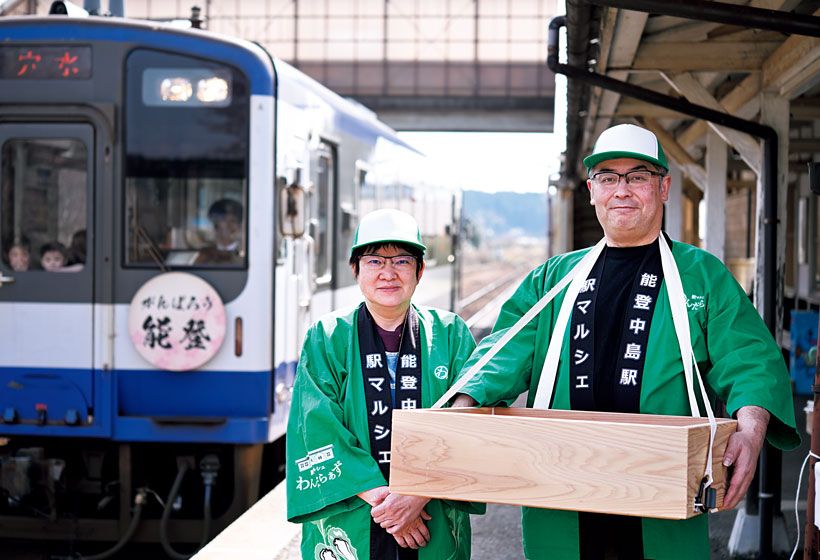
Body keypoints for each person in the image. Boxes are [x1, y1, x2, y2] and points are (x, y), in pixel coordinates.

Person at [449, 123, 799, 559]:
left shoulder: (701, 275)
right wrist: (459, 410)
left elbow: (748, 357)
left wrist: (750, 427)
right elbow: (503, 350)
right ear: (592, 190)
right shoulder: (555, 279)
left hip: (665, 485)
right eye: (609, 178)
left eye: (638, 177)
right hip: (560, 485)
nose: (623, 190)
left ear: (664, 187)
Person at [286, 208, 483, 560]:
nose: (388, 273)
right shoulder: (327, 337)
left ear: (420, 270)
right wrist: (390, 506)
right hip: (354, 519)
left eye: (402, 261)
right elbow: (315, 428)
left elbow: (472, 424)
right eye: (375, 261)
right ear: (355, 270)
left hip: (430, 513)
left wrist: (415, 496)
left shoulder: (451, 334)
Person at [195, 198, 244, 265]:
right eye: (224, 220)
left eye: (233, 221)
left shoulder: (246, 252)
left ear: (239, 226)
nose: (228, 225)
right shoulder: (205, 253)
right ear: (215, 225)